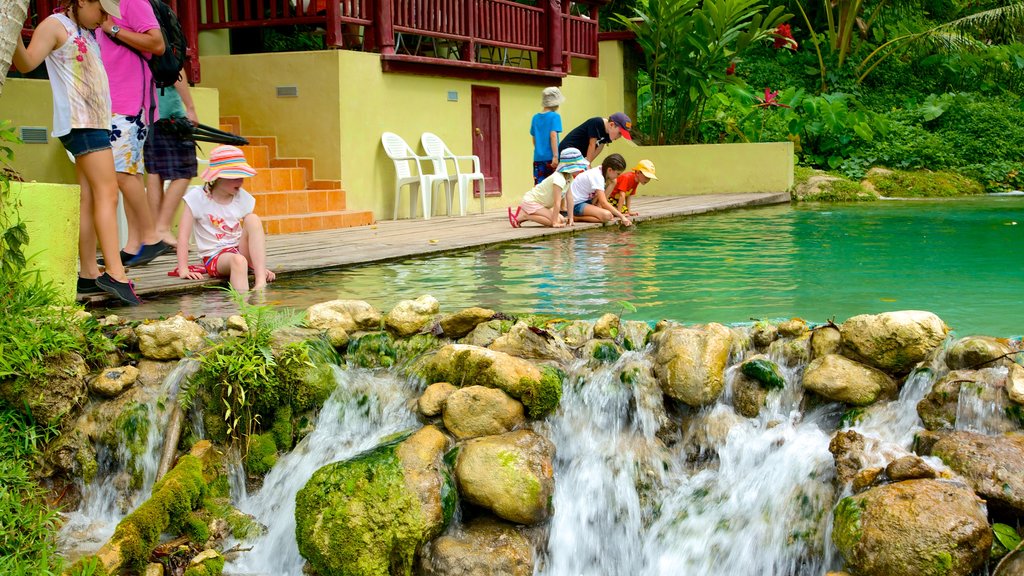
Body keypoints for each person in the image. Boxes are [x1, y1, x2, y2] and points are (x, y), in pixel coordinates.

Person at [13, 0, 142, 305]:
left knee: (90, 197)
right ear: (82, 0)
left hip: (94, 122)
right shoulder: (55, 26)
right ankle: (115, 271)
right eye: (102, 10)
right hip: (81, 123)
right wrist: (13, 27)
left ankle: (87, 272)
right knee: (108, 192)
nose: (106, 19)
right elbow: (27, 63)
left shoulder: (85, 28)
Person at [96, 0, 169, 266]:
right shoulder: (98, 5)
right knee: (129, 173)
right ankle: (134, 243)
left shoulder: (133, 2)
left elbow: (157, 44)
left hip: (130, 102)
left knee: (122, 173)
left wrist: (112, 28)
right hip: (109, 103)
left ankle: (151, 238)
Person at [176, 145, 275, 292]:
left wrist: (257, 266)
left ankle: (260, 280)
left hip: (239, 250)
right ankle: (241, 308)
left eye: (241, 177)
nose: (240, 182)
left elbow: (252, 235)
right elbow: (183, 237)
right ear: (218, 177)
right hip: (216, 257)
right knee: (239, 261)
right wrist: (183, 269)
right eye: (234, 177)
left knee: (253, 219)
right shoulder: (197, 198)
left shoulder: (242, 197)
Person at [145, 76, 198, 247]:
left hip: (147, 114)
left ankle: (155, 231)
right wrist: (190, 107)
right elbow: (176, 72)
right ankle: (162, 228)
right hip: (170, 116)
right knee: (186, 169)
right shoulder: (164, 48)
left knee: (155, 171)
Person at [508, 147, 590, 228]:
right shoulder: (559, 179)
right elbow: (557, 202)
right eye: (578, 166)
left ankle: (529, 214)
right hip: (531, 201)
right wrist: (554, 222)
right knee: (555, 221)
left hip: (542, 205)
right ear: (571, 167)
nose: (581, 169)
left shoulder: (568, 177)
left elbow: (570, 198)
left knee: (561, 219)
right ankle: (525, 216)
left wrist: (571, 218)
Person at [570, 153, 632, 226]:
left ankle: (598, 209)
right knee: (607, 216)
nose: (618, 176)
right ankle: (576, 218)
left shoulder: (602, 170)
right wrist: (622, 216)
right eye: (618, 174)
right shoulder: (597, 176)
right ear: (610, 170)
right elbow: (604, 202)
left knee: (613, 181)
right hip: (576, 205)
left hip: (587, 201)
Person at [558, 112, 632, 162]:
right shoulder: (597, 123)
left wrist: (588, 161)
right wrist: (587, 164)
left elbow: (600, 147)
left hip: (578, 155)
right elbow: (592, 144)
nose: (620, 137)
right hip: (568, 149)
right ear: (612, 125)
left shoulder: (608, 132)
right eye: (619, 133)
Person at [530, 86, 564, 184]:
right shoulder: (555, 117)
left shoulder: (535, 118)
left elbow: (534, 138)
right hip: (550, 158)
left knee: (539, 186)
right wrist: (555, 156)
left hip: (538, 158)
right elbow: (553, 135)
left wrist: (539, 150)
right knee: (554, 185)